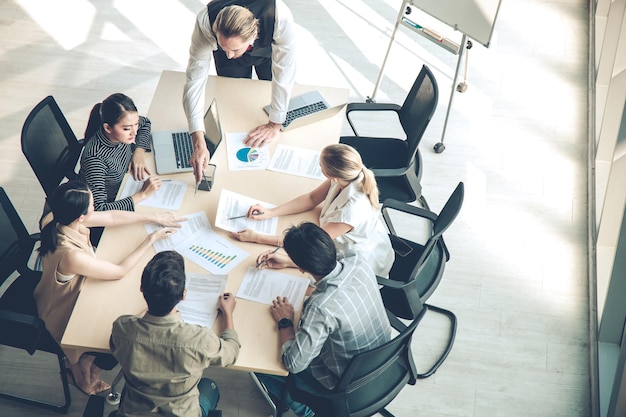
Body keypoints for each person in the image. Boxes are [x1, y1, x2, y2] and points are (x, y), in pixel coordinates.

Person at [34, 180, 184, 396]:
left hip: (73, 293)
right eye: (93, 205)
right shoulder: (70, 256)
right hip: (64, 311)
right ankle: (83, 373)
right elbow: (119, 271)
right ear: (81, 216)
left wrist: (155, 217)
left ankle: (85, 364)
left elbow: (112, 216)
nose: (96, 208)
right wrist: (150, 239)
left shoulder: (58, 218)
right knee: (125, 332)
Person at [255, 222, 392, 417]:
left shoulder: (321, 307)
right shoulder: (358, 261)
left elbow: (294, 363)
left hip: (345, 382)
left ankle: (308, 412)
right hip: (383, 360)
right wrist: (288, 261)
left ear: (301, 268)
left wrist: (285, 321)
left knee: (262, 364)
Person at [230, 143, 395, 277]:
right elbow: (311, 199)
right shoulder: (348, 174)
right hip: (337, 238)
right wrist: (271, 212)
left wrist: (258, 237)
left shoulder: (350, 212)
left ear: (330, 175)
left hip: (357, 259)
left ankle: (288, 262)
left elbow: (311, 243)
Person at [110, 251, 240, 417]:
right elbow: (232, 353)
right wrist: (228, 313)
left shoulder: (123, 329)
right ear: (184, 294)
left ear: (141, 288)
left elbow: (117, 342)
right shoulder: (199, 340)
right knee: (209, 386)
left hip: (134, 411)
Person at [183, 0, 297, 182]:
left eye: (234, 49)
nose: (228, 55)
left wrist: (274, 124)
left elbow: (285, 74)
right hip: (233, 45)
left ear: (253, 36)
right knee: (234, 96)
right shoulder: (206, 22)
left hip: (267, 53)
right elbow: (194, 81)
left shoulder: (279, 17)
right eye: (223, 47)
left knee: (269, 91)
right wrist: (198, 138)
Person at [80, 92, 164, 213]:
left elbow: (145, 123)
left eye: (135, 124)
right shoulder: (95, 159)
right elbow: (99, 209)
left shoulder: (120, 132)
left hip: (126, 182)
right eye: (126, 128)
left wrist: (138, 152)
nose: (134, 132)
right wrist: (142, 194)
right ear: (108, 128)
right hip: (114, 201)